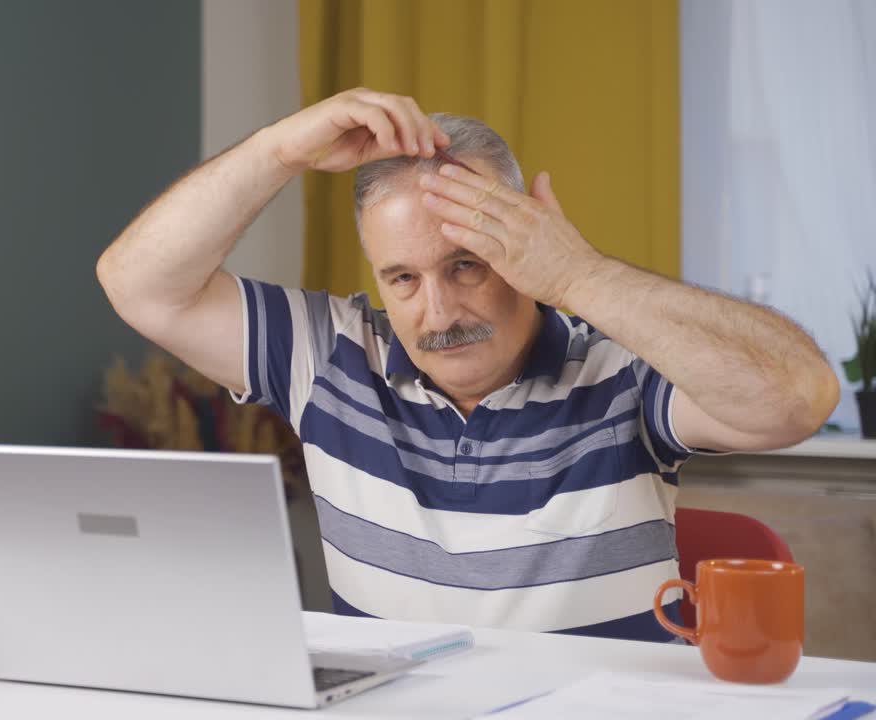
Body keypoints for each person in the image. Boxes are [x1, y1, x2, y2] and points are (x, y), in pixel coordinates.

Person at [95, 88, 839, 641]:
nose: (440, 313)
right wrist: (277, 152)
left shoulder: (620, 371)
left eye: (467, 265)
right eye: (403, 278)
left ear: (525, 247)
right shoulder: (329, 355)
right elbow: (138, 284)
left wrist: (579, 275)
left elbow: (796, 397)